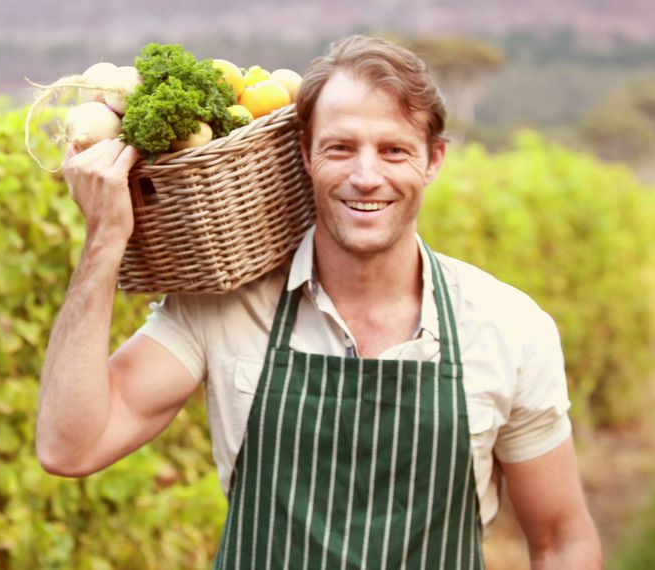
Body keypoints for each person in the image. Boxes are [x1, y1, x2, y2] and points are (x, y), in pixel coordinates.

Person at [36, 35, 602, 569]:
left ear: (433, 161)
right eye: (340, 148)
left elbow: (561, 540)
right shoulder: (222, 307)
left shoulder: (508, 327)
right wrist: (104, 243)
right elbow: (70, 446)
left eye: (394, 150)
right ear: (304, 154)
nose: (365, 176)